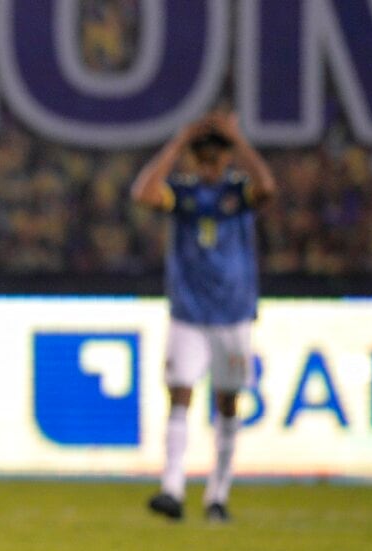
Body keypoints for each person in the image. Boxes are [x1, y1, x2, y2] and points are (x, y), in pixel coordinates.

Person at [131, 110, 276, 521]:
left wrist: (238, 140)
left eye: (217, 157)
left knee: (228, 401)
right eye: (204, 158)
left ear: (227, 159)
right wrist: (178, 142)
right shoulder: (182, 194)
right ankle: (172, 490)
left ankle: (217, 496)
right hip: (189, 313)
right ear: (194, 160)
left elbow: (268, 187)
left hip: (232, 314)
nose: (211, 166)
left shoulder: (238, 194)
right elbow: (142, 193)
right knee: (179, 394)